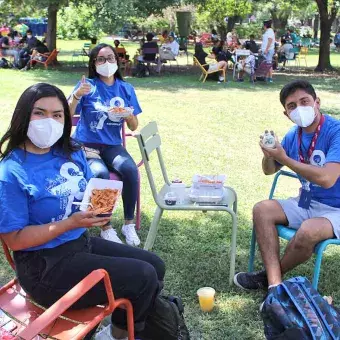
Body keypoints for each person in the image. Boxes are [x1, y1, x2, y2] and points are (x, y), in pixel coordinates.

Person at [0, 82, 165, 340]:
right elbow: (15, 240)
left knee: (156, 264)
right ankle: (120, 336)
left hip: (78, 243)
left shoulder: (70, 151)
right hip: (43, 267)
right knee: (144, 275)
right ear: (23, 116)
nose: (49, 121)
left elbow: (89, 190)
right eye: (39, 113)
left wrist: (98, 213)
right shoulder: (11, 171)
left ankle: (116, 331)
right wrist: (70, 224)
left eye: (57, 115)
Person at [234, 80, 340, 292]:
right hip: (308, 201)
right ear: (286, 113)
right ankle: (275, 286)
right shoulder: (295, 134)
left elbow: (328, 179)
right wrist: (268, 155)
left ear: (317, 102)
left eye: (304, 101)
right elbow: (269, 170)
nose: (299, 109)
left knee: (308, 231)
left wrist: (285, 158)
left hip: (336, 209)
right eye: (292, 106)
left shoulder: (335, 131)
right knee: (262, 209)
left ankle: (267, 278)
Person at [69, 43, 142, 245]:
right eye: (101, 59)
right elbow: (66, 115)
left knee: (129, 170)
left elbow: (135, 126)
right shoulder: (87, 85)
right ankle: (105, 226)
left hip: (112, 145)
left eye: (110, 58)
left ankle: (128, 224)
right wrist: (77, 95)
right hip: (86, 144)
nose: (106, 62)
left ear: (116, 61)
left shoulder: (126, 88)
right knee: (100, 173)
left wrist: (128, 115)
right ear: (94, 63)